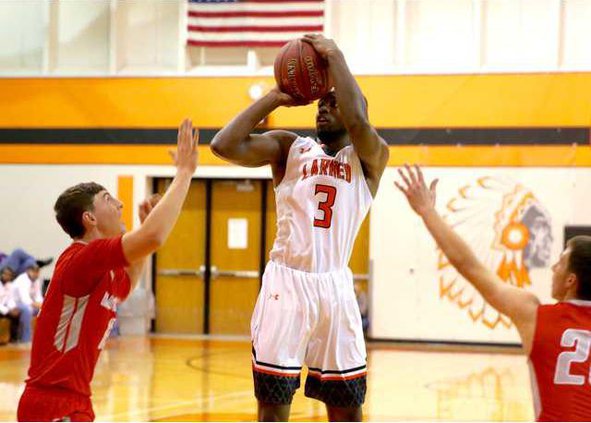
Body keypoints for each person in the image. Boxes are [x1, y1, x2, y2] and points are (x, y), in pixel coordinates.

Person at [211, 34, 389, 422]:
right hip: (286, 285)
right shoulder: (290, 147)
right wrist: (276, 96)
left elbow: (359, 120)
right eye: (320, 103)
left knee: (348, 410)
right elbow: (223, 145)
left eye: (333, 103)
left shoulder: (370, 157)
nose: (323, 109)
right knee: (273, 410)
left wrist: (334, 55)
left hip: (335, 288)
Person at [16, 119, 198, 422]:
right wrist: (184, 173)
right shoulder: (81, 258)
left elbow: (126, 285)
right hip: (52, 404)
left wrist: (144, 229)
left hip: (75, 401)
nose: (120, 203)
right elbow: (153, 237)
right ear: (89, 218)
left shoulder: (101, 267)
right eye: (108, 199)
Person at [395, 164, 591, 422]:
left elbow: (469, 266)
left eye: (561, 262)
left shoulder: (534, 314)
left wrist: (427, 212)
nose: (553, 267)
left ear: (570, 280)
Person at [11, 264, 43, 342]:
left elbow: (38, 296)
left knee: (44, 310)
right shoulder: (22, 280)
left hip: (30, 303)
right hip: (15, 302)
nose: (36, 274)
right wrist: (38, 305)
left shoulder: (36, 280)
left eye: (37, 272)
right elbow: (25, 299)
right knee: (27, 310)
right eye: (34, 272)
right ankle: (25, 339)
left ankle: (41, 337)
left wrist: (42, 304)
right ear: (28, 271)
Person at [0, 267, 20, 342]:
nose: (7, 276)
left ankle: (13, 339)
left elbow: (9, 299)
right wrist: (8, 311)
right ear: (1, 274)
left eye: (9, 275)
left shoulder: (10, 285)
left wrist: (13, 308)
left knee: (16, 315)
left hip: (4, 309)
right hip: (2, 309)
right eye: (6, 274)